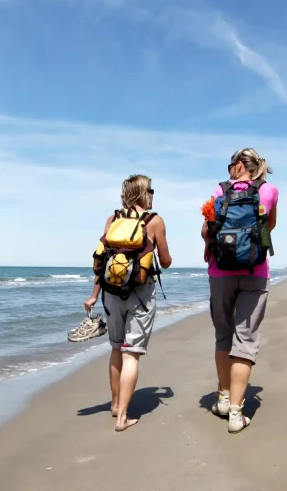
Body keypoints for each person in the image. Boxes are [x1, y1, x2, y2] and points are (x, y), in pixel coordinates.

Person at [84, 174, 172, 432]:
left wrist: (93, 294)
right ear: (143, 193)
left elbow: (103, 262)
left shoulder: (112, 219)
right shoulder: (154, 221)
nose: (153, 195)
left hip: (111, 293)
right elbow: (166, 262)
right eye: (151, 190)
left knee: (115, 348)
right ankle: (122, 417)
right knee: (131, 353)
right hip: (140, 295)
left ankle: (114, 405)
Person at [201, 148, 278, 433]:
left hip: (220, 271)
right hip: (255, 271)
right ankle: (236, 413)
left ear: (236, 166)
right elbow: (269, 226)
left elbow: (206, 229)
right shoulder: (269, 191)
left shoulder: (219, 191)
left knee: (223, 335)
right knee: (245, 340)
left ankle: (223, 399)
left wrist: (212, 241)